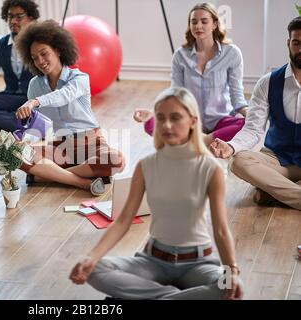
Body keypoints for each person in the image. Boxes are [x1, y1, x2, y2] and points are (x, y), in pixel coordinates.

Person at [70, 87, 244, 300]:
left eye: (175, 117)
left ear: (193, 121)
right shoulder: (146, 166)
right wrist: (91, 257)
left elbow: (221, 229)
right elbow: (123, 220)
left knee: (227, 287)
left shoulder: (210, 168)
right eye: (161, 118)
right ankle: (172, 296)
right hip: (153, 261)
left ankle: (144, 297)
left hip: (198, 264)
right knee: (96, 270)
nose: (167, 125)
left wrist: (232, 270)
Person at [15, 20, 125, 196]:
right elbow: (36, 125)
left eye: (44, 54)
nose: (40, 61)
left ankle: (48, 176)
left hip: (91, 143)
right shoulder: (34, 85)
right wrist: (24, 138)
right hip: (61, 147)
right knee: (16, 153)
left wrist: (34, 102)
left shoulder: (79, 78)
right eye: (35, 58)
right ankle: (82, 181)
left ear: (58, 50)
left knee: (117, 160)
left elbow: (62, 96)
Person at [210, 17, 301, 210]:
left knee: (264, 191)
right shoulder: (268, 82)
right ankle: (291, 192)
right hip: (276, 161)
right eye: (297, 43)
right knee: (239, 161)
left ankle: (273, 194)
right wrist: (231, 146)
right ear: (288, 43)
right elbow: (252, 129)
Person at [134, 2, 248, 146]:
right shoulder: (180, 56)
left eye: (204, 21)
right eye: (194, 22)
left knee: (245, 124)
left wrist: (248, 113)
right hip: (189, 120)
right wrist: (153, 112)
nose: (198, 26)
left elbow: (236, 93)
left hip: (221, 119)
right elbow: (175, 93)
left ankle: (198, 141)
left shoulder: (232, 53)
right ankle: (204, 141)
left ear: (214, 24)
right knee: (149, 124)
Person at [0, 0, 38, 132]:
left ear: (30, 18)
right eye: (10, 16)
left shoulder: (39, 43)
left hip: (32, 100)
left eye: (19, 16)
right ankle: (15, 122)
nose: (13, 21)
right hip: (9, 96)